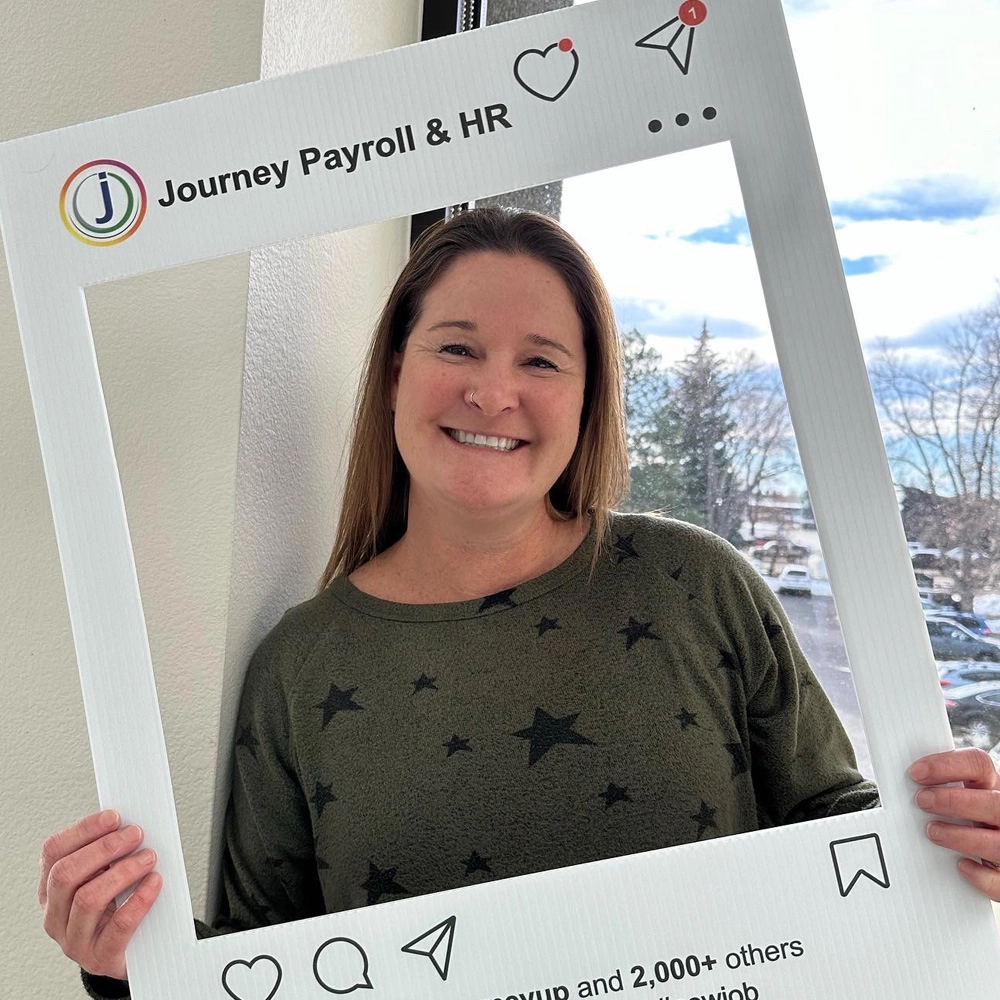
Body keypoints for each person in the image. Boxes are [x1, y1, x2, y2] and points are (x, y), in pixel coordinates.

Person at [36, 208, 1000, 999]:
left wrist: (961, 847)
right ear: (395, 375)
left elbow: (848, 841)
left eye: (542, 360)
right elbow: (262, 967)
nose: (494, 392)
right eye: (457, 346)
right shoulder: (301, 666)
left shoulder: (695, 586)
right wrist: (128, 962)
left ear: (589, 398)